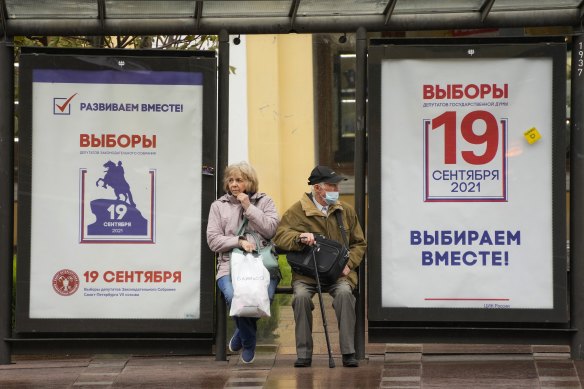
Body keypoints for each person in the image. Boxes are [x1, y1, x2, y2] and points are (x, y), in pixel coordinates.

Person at [273, 165, 366, 368]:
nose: (336, 190)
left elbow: (359, 243)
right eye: (331, 185)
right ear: (317, 188)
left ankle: (349, 352)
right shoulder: (297, 211)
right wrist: (298, 237)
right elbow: (280, 236)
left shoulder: (345, 211)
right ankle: (304, 354)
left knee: (344, 294)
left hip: (339, 274)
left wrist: (349, 264)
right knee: (301, 298)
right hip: (307, 274)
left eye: (336, 185)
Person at [207, 161, 280, 364]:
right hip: (228, 266)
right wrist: (238, 241)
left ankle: (240, 334)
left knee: (262, 298)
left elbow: (271, 230)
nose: (234, 184)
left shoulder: (265, 202)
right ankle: (249, 342)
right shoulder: (218, 206)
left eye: (239, 180)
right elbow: (213, 240)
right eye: (230, 180)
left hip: (262, 264)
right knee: (234, 296)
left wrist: (248, 206)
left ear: (249, 181)